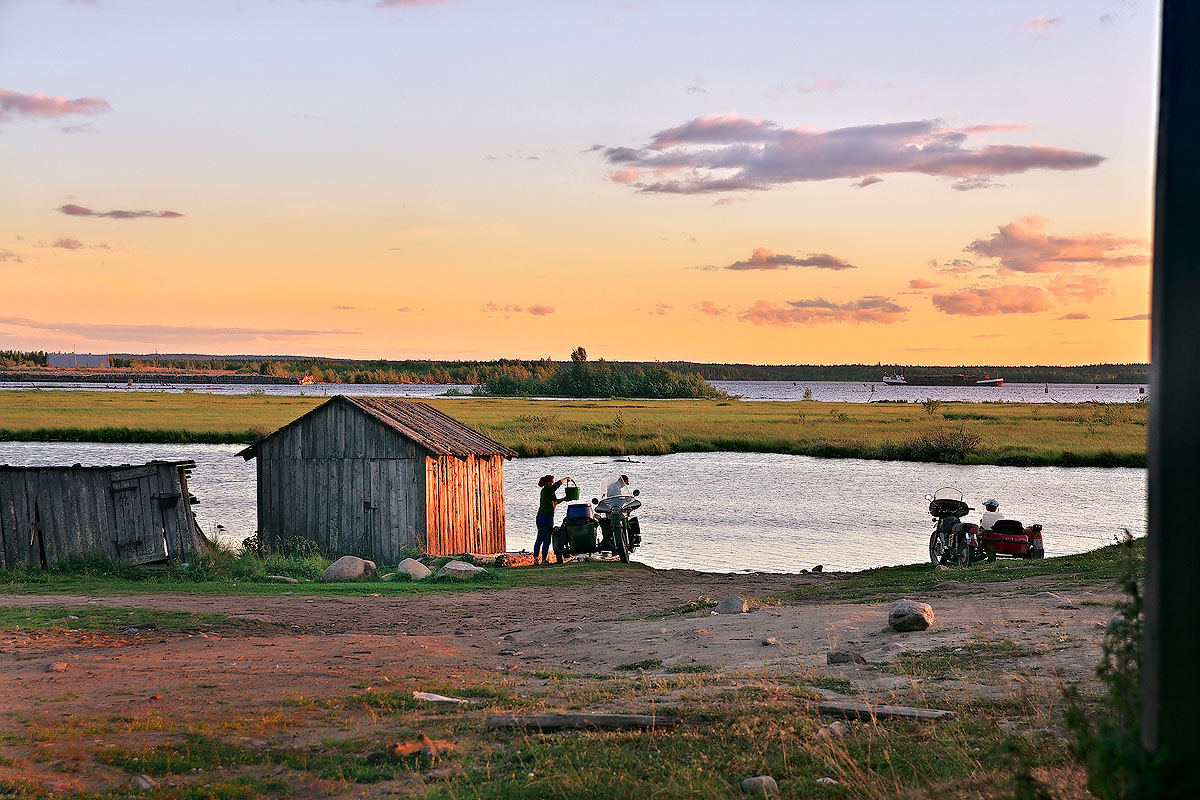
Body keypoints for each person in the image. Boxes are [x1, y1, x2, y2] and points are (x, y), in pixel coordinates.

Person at [534, 474, 570, 564]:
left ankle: (536, 559)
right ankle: (544, 560)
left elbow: (555, 502)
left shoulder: (545, 491)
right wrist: (566, 478)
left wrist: (564, 499)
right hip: (547, 517)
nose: (553, 483)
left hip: (540, 517)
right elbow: (557, 485)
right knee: (546, 539)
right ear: (548, 482)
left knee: (539, 538)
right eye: (551, 481)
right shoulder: (549, 489)